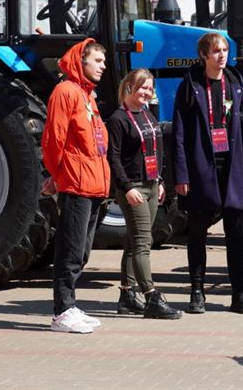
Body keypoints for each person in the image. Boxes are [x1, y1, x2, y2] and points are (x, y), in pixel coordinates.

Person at [173, 32, 243, 315]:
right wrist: (181, 175)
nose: (222, 55)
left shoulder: (235, 83)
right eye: (216, 51)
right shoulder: (190, 86)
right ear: (204, 55)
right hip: (201, 169)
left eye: (224, 50)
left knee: (236, 232)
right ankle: (197, 292)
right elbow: (180, 133)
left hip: (232, 168)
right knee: (198, 231)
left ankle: (240, 293)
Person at [42, 38, 110, 334]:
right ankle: (62, 311)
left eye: (104, 61)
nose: (103, 66)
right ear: (81, 62)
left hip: (92, 183)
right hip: (77, 183)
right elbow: (53, 138)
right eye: (98, 61)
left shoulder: (87, 95)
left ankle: (70, 305)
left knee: (81, 251)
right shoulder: (65, 91)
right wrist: (57, 176)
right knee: (70, 251)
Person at [107, 69, 182, 320]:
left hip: (151, 184)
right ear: (129, 86)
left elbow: (157, 150)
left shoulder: (148, 115)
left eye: (150, 88)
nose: (147, 93)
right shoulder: (118, 119)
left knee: (134, 241)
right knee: (143, 243)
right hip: (134, 187)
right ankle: (151, 296)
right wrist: (127, 187)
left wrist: (159, 181)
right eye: (142, 87)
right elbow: (113, 158)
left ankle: (127, 295)